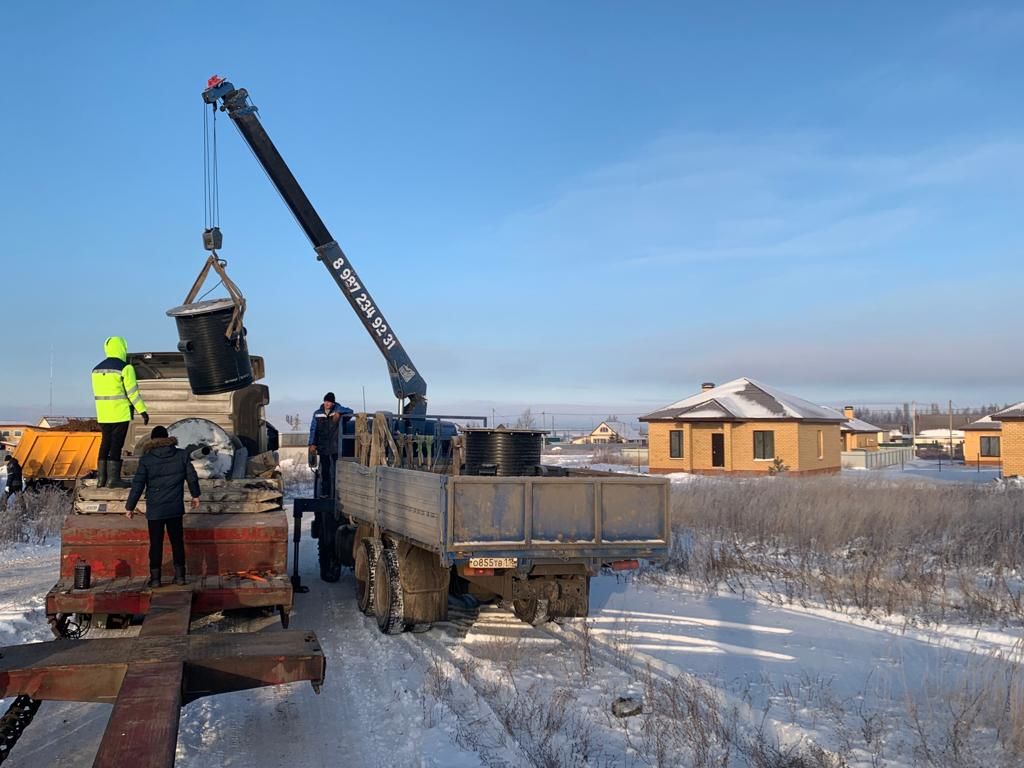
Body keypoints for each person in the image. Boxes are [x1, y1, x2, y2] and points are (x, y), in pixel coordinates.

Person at [125, 425, 201, 588]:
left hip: (155, 510)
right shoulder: (181, 455)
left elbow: (138, 484)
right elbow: (192, 477)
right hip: (175, 508)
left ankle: (155, 579)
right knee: (177, 542)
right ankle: (180, 577)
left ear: (152, 440)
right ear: (167, 438)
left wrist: (130, 507)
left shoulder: (147, 459)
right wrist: (195, 496)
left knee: (156, 543)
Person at [92, 336, 149, 489]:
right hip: (120, 413)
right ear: (122, 347)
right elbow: (132, 393)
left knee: (105, 443)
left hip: (103, 413)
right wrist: (142, 411)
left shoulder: (96, 369)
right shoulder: (125, 368)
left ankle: (101, 479)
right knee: (116, 445)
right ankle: (113, 480)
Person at [308, 392, 352, 498]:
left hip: (335, 447)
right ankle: (325, 492)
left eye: (329, 402)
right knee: (325, 472)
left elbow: (350, 411)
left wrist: (338, 412)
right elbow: (313, 429)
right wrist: (312, 444)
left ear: (333, 403)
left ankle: (338, 492)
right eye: (326, 401)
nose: (327, 404)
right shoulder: (317, 413)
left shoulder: (338, 409)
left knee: (337, 471)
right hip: (323, 447)